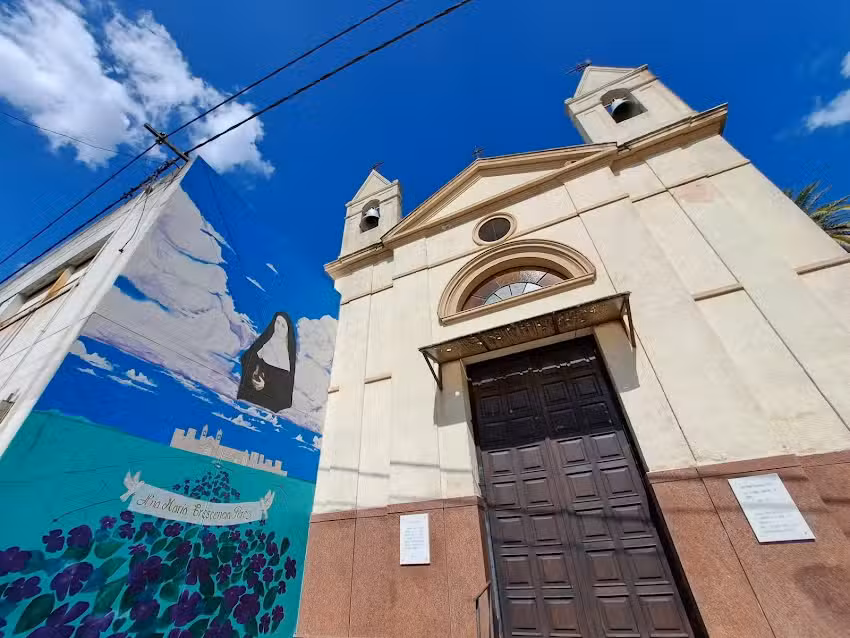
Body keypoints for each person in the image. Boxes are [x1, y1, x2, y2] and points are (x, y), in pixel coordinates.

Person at [237, 312, 296, 411]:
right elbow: (247, 359)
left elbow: (284, 391)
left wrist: (265, 386)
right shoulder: (265, 341)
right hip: (250, 398)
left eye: (283, 326)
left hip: (269, 406)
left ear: (287, 331)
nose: (278, 327)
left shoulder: (287, 354)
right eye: (277, 322)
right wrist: (253, 376)